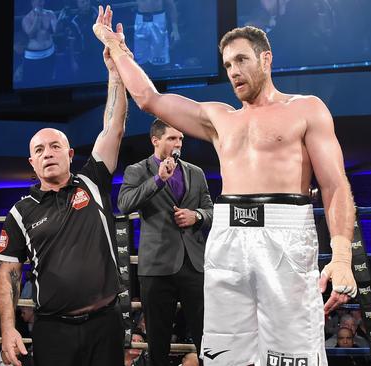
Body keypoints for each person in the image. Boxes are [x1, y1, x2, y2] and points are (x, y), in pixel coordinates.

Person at [93, 14, 357, 365]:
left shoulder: (305, 109)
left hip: (285, 233)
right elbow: (149, 99)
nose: (233, 71)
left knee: (293, 352)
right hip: (228, 236)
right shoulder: (220, 118)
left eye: (241, 60)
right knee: (225, 352)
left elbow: (334, 184)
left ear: (266, 58)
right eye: (228, 64)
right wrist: (117, 48)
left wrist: (341, 257)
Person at [0, 9, 129, 366]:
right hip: (53, 330)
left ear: (70, 154)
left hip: (105, 323)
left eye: (55, 147)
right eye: (39, 150)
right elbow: (8, 273)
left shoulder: (92, 180)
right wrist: (8, 330)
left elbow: (114, 124)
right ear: (32, 163)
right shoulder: (20, 212)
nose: (48, 153)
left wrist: (115, 67)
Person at [117, 118, 212, 365]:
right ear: (155, 140)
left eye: (180, 138)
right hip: (157, 267)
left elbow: (211, 211)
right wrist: (158, 179)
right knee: (157, 342)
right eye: (171, 138)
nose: (178, 143)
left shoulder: (196, 173)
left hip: (194, 264)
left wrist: (197, 216)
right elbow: (125, 204)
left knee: (206, 337)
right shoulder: (137, 170)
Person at [21, 0, 58, 85]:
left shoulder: (50, 14)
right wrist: (37, 17)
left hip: (49, 53)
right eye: (37, 1)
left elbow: (55, 31)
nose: (39, 3)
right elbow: (31, 34)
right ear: (32, 2)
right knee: (32, 82)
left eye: (41, 1)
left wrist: (58, 22)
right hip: (33, 57)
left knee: (49, 80)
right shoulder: (27, 18)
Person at [133, 0, 179, 67]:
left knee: (160, 59)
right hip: (140, 19)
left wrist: (175, 29)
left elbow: (171, 6)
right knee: (140, 60)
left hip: (158, 18)